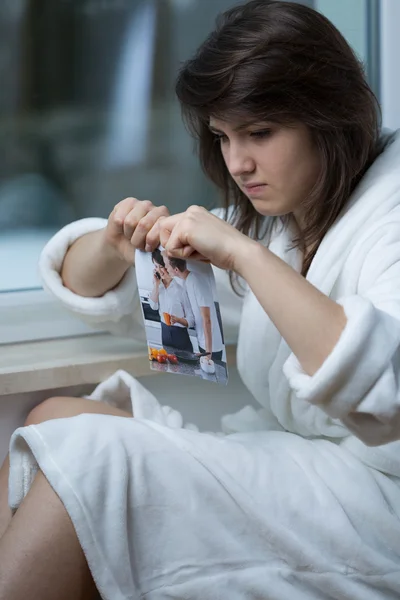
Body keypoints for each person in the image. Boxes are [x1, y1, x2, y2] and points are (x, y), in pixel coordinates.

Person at [1, 1, 400, 598]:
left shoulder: (388, 210)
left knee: (91, 462)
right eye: (223, 136)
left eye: (260, 134)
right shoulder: (288, 217)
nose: (238, 163)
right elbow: (90, 283)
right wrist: (115, 243)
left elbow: (384, 389)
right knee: (54, 418)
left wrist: (244, 255)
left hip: (374, 505)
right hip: (306, 465)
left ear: (330, 115)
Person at [164, 255, 224, 365]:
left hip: (212, 349)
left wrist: (208, 353)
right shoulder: (188, 282)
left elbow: (207, 319)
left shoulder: (196, 281)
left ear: (176, 270)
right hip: (203, 344)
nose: (166, 268)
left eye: (167, 266)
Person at [149, 248, 195, 352]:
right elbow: (153, 306)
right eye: (156, 266)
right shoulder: (158, 285)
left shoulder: (181, 288)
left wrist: (178, 320)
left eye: (161, 266)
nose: (158, 270)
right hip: (164, 332)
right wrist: (156, 284)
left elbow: (191, 320)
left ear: (167, 265)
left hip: (180, 335)